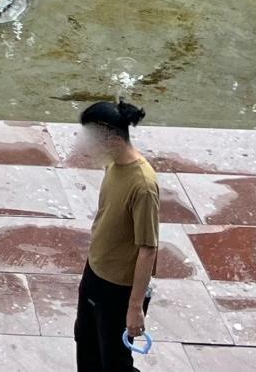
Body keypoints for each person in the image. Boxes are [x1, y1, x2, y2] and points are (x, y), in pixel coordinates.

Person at [72, 99, 160, 372]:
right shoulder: (113, 165)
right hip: (95, 272)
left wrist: (135, 307)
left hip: (119, 289)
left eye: (90, 139)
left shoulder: (143, 185)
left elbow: (148, 249)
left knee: (115, 362)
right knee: (86, 346)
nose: (85, 147)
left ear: (110, 138)